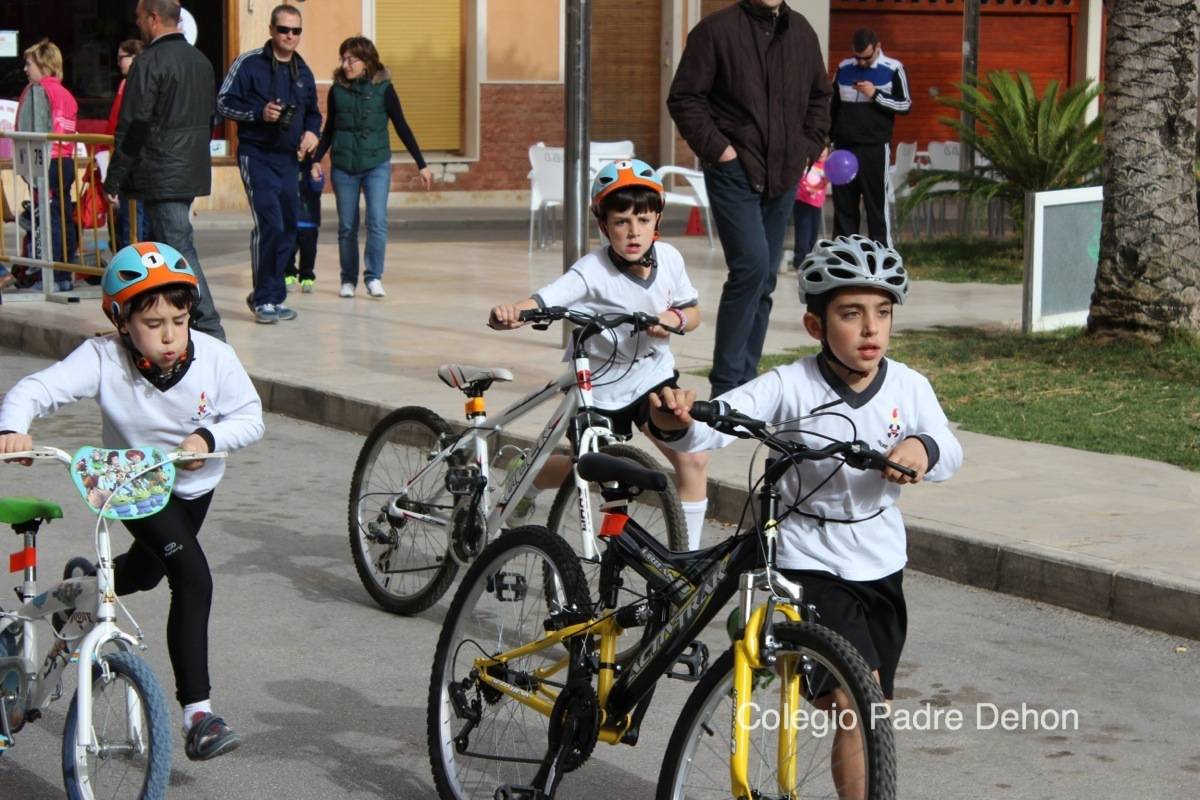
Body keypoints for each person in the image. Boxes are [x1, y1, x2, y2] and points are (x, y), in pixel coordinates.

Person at [649, 234, 962, 796]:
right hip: (808, 557)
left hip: (881, 561)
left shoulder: (910, 386)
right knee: (853, 695)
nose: (871, 329)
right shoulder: (791, 384)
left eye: (882, 313)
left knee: (871, 710)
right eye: (851, 314)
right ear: (817, 326)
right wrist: (679, 418)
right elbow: (723, 418)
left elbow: (947, 445)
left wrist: (923, 448)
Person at [0, 241, 266, 761]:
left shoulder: (215, 357)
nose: (169, 335)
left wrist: (207, 440)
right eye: (152, 323)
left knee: (145, 574)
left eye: (178, 319)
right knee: (192, 575)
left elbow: (251, 417)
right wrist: (13, 429)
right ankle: (198, 716)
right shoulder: (102, 358)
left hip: (193, 486)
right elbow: (34, 389)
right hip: (131, 486)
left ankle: (82, 588)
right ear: (121, 322)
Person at [488, 160, 710, 550]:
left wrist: (673, 319)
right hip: (599, 387)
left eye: (642, 219)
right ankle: (529, 476)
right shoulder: (591, 270)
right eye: (621, 221)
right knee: (589, 471)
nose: (633, 231)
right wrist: (514, 312)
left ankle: (686, 564)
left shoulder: (670, 259)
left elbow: (693, 314)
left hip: (651, 377)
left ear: (657, 217)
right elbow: (546, 298)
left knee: (692, 458)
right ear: (603, 224)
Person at [667, 0, 831, 398]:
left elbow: (820, 97)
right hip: (734, 173)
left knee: (766, 277)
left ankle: (747, 380)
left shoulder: (802, 32)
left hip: (784, 173)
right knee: (751, 268)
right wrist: (720, 151)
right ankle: (726, 387)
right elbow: (685, 98)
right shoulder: (716, 30)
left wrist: (806, 149)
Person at [103, 0, 227, 341]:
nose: (138, 23)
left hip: (161, 171)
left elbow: (134, 125)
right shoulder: (200, 61)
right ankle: (166, 323)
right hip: (187, 169)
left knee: (178, 250)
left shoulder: (150, 62)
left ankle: (210, 328)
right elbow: (209, 118)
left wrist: (114, 177)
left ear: (154, 19)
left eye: (141, 17)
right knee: (166, 252)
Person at [217, 3, 322, 323]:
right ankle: (263, 298)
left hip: (289, 160)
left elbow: (314, 113)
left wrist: (311, 133)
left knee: (289, 226)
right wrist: (258, 113)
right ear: (271, 31)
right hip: (256, 155)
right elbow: (223, 102)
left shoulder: (303, 71)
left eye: (296, 31)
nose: (290, 36)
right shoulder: (249, 63)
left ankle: (275, 297)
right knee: (270, 224)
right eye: (284, 30)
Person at [313, 36, 433, 299]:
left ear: (366, 62)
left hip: (376, 164)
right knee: (347, 226)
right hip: (344, 166)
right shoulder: (337, 91)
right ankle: (347, 280)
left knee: (377, 221)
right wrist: (315, 160)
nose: (345, 64)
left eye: (350, 59)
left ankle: (373, 276)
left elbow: (402, 125)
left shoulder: (384, 89)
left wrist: (421, 163)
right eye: (342, 59)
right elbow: (330, 129)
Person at [830, 28, 912, 247]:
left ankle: (882, 253)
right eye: (857, 57)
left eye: (866, 58)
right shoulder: (844, 68)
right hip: (844, 148)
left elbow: (905, 105)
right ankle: (844, 252)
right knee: (844, 205)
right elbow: (832, 107)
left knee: (876, 203)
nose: (862, 63)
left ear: (878, 47)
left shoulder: (893, 68)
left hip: (875, 147)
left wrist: (875, 95)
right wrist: (826, 140)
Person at [16, 37, 78, 292]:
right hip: (63, 161)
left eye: (29, 63)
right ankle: (63, 274)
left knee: (48, 220)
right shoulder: (64, 92)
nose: (25, 69)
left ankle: (51, 278)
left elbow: (42, 130)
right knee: (62, 217)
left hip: (48, 162)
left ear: (43, 65)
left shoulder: (40, 91)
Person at [105, 38, 149, 251]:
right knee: (132, 219)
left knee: (134, 222)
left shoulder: (135, 84)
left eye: (121, 57)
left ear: (134, 57)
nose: (118, 63)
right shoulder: (127, 83)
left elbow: (126, 125)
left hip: (132, 160)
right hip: (126, 158)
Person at [284, 156, 323, 292]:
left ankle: (307, 277)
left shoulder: (313, 167)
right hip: (289, 220)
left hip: (309, 221)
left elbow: (317, 188)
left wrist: (316, 178)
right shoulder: (285, 164)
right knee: (287, 251)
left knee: (309, 252)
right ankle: (288, 275)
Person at [792, 145, 829, 268]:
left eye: (824, 149)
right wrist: (809, 188)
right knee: (803, 234)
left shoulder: (827, 167)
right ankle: (799, 262)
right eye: (819, 148)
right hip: (803, 202)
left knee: (813, 235)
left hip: (816, 205)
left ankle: (810, 262)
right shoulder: (808, 163)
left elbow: (827, 181)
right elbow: (800, 180)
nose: (822, 152)